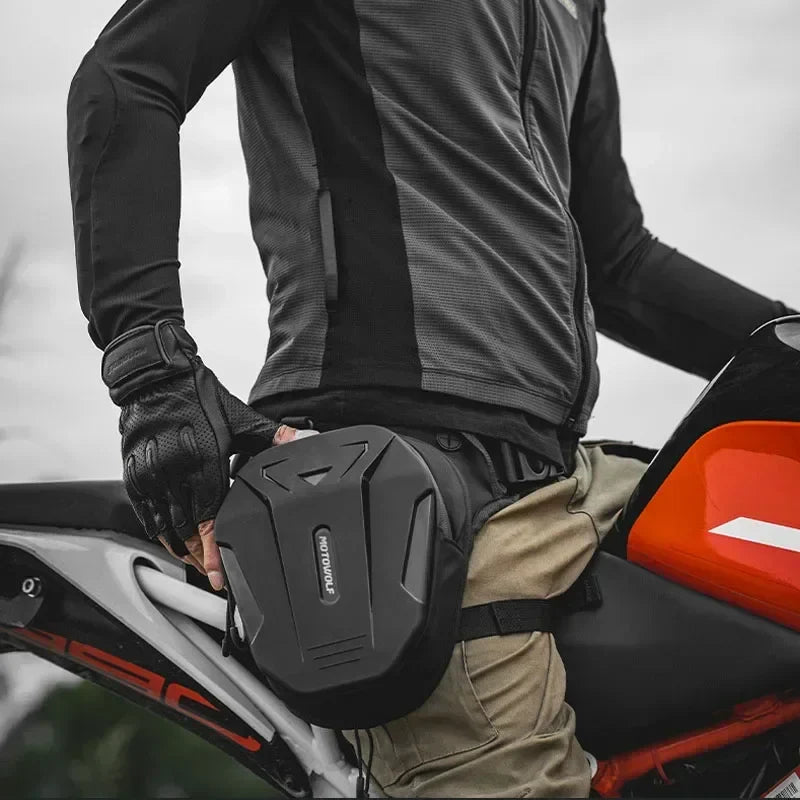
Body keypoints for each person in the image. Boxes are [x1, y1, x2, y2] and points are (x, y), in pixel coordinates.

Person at [66, 1, 794, 795]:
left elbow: (618, 262)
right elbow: (128, 77)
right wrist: (154, 378)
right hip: (404, 495)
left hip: (567, 477)